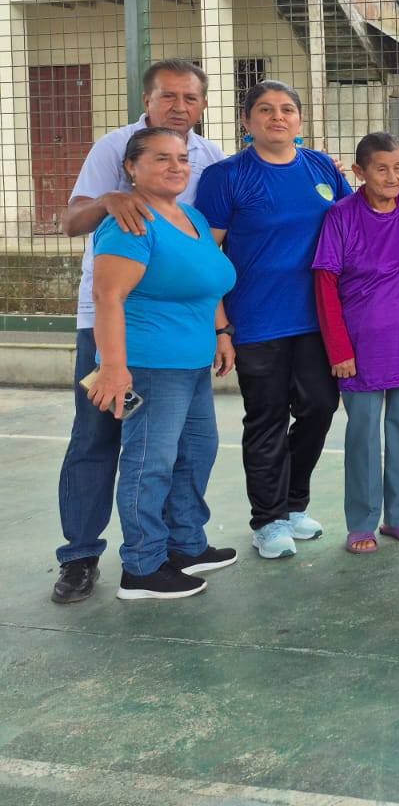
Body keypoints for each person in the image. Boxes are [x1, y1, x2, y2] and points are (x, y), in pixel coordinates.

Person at [52, 60, 224, 605]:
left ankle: (177, 545)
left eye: (190, 98)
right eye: (168, 96)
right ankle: (80, 556)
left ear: (203, 106)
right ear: (147, 100)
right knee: (99, 440)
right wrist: (109, 200)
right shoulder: (115, 147)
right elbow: (71, 221)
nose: (179, 106)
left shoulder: (209, 156)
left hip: (184, 333)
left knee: (183, 447)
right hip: (117, 325)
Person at [195, 80, 350, 561]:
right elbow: (207, 256)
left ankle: (293, 504)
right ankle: (268, 520)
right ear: (246, 121)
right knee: (266, 420)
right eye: (264, 109)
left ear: (300, 120)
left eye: (286, 109)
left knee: (320, 408)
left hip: (317, 321)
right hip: (257, 322)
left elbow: (358, 221)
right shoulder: (226, 176)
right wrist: (221, 326)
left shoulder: (322, 167)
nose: (277, 117)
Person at [88, 127, 238, 600]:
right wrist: (114, 367)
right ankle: (142, 566)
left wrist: (221, 332)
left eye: (182, 158)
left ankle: (185, 545)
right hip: (149, 365)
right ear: (131, 167)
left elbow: (207, 281)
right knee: (149, 463)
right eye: (161, 158)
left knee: (197, 453)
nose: (176, 167)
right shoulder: (130, 222)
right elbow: (108, 296)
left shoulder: (191, 216)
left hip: (192, 363)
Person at [312, 133, 399, 554]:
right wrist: (339, 350)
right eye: (382, 169)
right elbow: (325, 285)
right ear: (359, 172)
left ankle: (397, 514)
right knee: (363, 437)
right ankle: (362, 522)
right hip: (362, 349)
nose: (393, 176)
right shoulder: (341, 216)